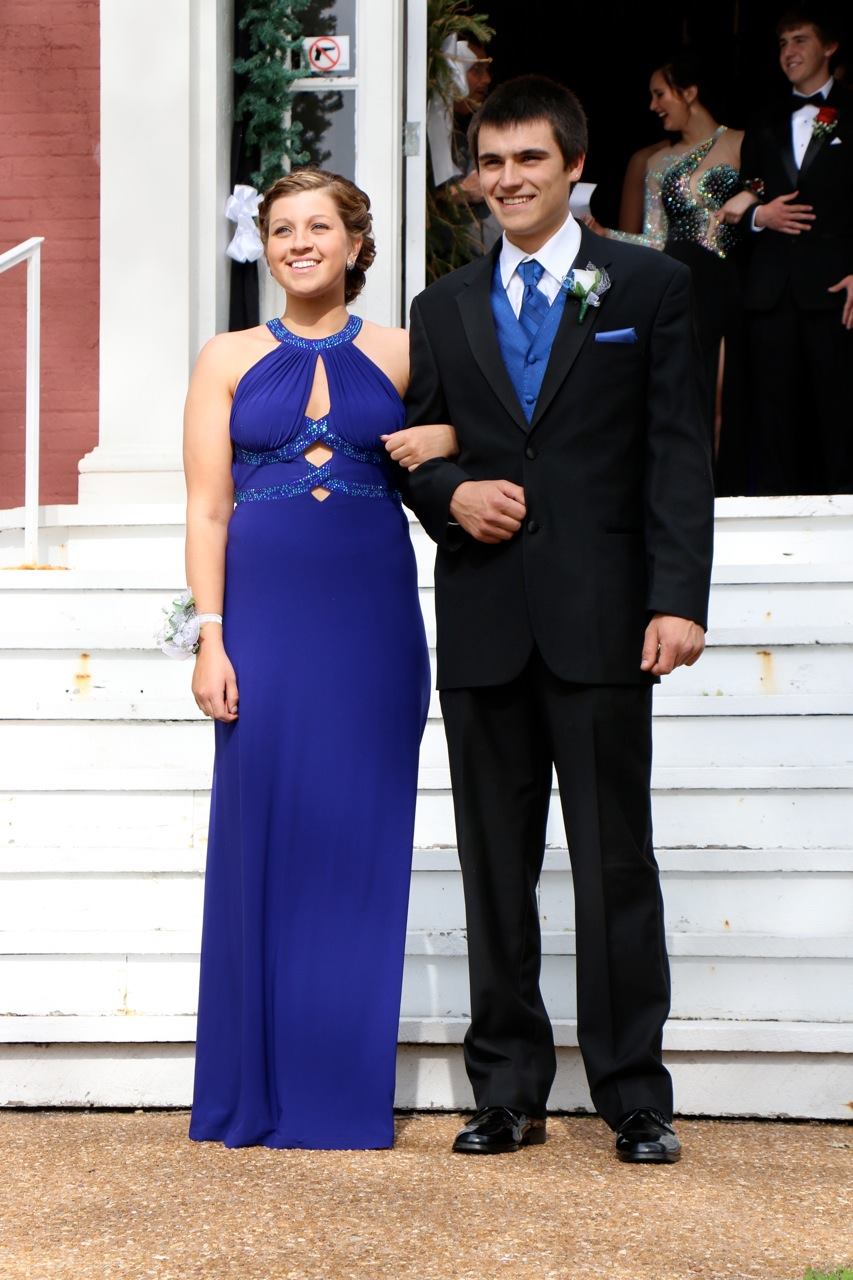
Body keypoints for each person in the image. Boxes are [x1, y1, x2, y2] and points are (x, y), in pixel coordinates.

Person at [399, 75, 714, 1163]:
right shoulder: (439, 307)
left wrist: (677, 597)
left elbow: (677, 450)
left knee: (614, 863)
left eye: (528, 158)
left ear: (574, 165)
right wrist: (451, 497)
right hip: (484, 619)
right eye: (490, 162)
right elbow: (417, 449)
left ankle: (633, 1093)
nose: (507, 179)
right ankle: (506, 1091)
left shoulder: (650, 285)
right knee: (495, 867)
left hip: (604, 617)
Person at [184, 168, 457, 1150]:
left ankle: (340, 1093)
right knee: (261, 836)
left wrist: (443, 432)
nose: (299, 242)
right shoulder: (224, 356)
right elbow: (207, 508)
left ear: (354, 243)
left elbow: (478, 445)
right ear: (264, 245)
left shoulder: (406, 350)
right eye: (282, 228)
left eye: (318, 226)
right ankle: (254, 1090)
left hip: (369, 622)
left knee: (357, 839)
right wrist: (210, 634)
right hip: (262, 621)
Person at [587, 52, 747, 489]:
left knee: (726, 399)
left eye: (660, 94)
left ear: (689, 92)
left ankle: (727, 493)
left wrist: (752, 199)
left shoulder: (740, 143)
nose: (653, 105)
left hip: (730, 284)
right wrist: (604, 235)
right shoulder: (657, 163)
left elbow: (766, 201)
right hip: (684, 286)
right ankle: (690, 492)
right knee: (688, 398)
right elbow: (655, 239)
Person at [717, 8, 853, 495]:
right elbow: (747, 194)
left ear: (828, 47)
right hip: (771, 290)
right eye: (782, 44)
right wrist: (761, 215)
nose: (789, 52)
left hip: (835, 289)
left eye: (800, 40)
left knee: (839, 415)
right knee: (772, 419)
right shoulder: (764, 120)